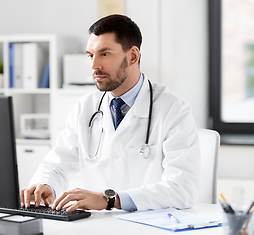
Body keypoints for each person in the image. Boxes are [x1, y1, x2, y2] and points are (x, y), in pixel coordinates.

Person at [20, 14, 201, 213]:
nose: (94, 65)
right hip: (99, 227)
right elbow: (57, 164)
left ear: (133, 56)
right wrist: (46, 184)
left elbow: (182, 188)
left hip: (149, 226)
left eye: (104, 54)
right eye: (90, 55)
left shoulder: (173, 109)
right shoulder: (85, 108)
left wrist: (110, 200)